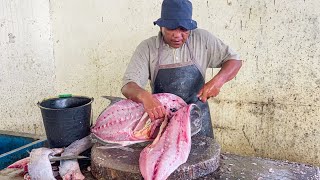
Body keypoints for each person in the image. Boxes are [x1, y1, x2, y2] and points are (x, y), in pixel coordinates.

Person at [121, 0, 242, 138]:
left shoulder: (202, 39)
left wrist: (217, 82)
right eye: (171, 28)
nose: (177, 35)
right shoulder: (148, 48)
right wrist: (144, 96)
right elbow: (128, 86)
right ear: (161, 26)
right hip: (165, 126)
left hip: (199, 125)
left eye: (184, 29)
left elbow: (234, 61)